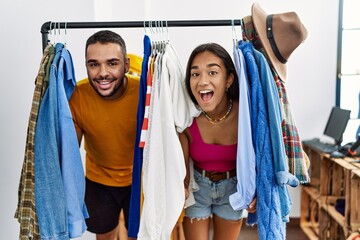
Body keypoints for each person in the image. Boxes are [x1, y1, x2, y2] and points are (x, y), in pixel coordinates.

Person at [179, 43, 256, 240]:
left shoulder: (246, 115)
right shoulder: (186, 117)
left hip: (233, 188)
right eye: (195, 74)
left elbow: (260, 156)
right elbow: (183, 171)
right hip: (198, 188)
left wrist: (256, 189)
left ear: (229, 79)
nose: (202, 81)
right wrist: (180, 189)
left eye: (212, 72)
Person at [69, 30, 139, 240]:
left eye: (112, 63)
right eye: (94, 64)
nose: (102, 72)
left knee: (139, 234)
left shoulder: (145, 92)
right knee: (104, 235)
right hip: (98, 180)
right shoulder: (77, 95)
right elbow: (70, 152)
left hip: (139, 180)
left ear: (126, 65)